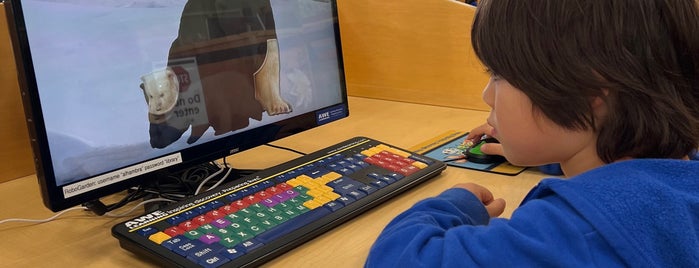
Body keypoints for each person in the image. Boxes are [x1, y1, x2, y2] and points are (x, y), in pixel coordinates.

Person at [365, 0, 699, 267]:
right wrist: (556, 155)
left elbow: (396, 258)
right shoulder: (681, 171)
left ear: (586, 89)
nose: (487, 95)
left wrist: (450, 207)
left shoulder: (576, 234)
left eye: (498, 74)